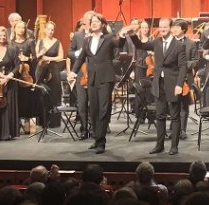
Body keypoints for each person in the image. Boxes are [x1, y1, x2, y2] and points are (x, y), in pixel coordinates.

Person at [72, 14, 137, 154]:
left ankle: (101, 141)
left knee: (103, 109)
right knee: (94, 110)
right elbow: (82, 57)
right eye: (92, 22)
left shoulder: (108, 38)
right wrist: (73, 72)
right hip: (92, 78)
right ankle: (96, 138)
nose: (94, 23)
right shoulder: (87, 40)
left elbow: (119, 44)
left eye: (97, 21)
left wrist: (123, 34)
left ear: (102, 24)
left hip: (106, 78)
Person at [129, 17, 190, 155]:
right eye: (160, 27)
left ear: (171, 28)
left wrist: (179, 84)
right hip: (158, 84)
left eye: (165, 27)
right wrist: (133, 34)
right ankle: (159, 145)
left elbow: (183, 67)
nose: (162, 29)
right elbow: (141, 46)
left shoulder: (179, 45)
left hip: (174, 84)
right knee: (160, 115)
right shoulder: (156, 42)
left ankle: (174, 146)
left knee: (174, 117)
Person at [34, 20, 65, 128]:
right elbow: (36, 56)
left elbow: (61, 57)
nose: (51, 31)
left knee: (54, 94)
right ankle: (43, 121)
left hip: (53, 69)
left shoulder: (57, 42)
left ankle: (54, 122)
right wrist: (41, 54)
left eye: (53, 30)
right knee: (42, 94)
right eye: (49, 29)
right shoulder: (40, 41)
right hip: (42, 69)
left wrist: (49, 58)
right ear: (45, 30)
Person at [69, 11, 92, 139]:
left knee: (94, 104)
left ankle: (94, 128)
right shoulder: (77, 35)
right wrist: (77, 53)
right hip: (81, 75)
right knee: (82, 103)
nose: (89, 22)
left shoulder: (98, 36)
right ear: (84, 21)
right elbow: (69, 53)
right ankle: (84, 129)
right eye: (87, 19)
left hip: (94, 73)